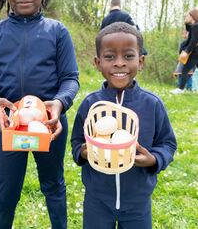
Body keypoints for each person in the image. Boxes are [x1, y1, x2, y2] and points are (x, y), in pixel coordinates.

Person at [0, 0, 79, 228]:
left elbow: (70, 79)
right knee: (2, 195)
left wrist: (58, 103)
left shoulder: (58, 32)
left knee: (53, 186)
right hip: (9, 125)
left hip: (49, 125)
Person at [71, 22, 177, 229]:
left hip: (138, 203)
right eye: (110, 57)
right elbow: (77, 141)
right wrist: (82, 153)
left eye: (128, 56)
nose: (119, 63)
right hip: (97, 201)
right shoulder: (90, 104)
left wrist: (153, 160)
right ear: (98, 62)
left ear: (141, 61)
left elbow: (167, 143)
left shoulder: (152, 104)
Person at [170, 8, 198, 94]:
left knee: (185, 69)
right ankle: (181, 89)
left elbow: (193, 41)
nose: (186, 17)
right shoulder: (194, 26)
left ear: (192, 16)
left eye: (187, 15)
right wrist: (187, 22)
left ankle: (180, 89)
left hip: (195, 53)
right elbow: (188, 30)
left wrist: (186, 52)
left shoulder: (196, 26)